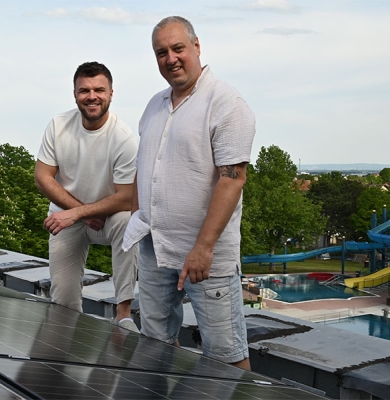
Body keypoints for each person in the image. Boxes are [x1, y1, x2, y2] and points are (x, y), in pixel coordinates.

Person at [122, 16, 255, 367]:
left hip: (205, 259)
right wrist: (139, 218)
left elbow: (233, 179)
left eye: (178, 48)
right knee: (155, 343)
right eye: (161, 52)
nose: (170, 58)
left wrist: (203, 248)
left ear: (197, 46)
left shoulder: (226, 102)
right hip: (154, 249)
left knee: (226, 354)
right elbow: (144, 167)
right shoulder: (154, 105)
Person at [35, 61, 139, 332]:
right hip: (67, 219)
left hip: (108, 218)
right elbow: (43, 177)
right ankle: (65, 356)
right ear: (75, 94)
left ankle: (123, 311)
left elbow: (127, 197)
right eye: (84, 90)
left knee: (129, 221)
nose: (91, 96)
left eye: (99, 90)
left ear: (111, 94)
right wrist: (79, 212)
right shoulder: (59, 125)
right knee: (63, 304)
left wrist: (83, 213)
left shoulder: (124, 138)